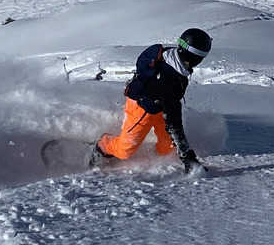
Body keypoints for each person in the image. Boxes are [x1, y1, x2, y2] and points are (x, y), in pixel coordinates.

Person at [90, 28, 212, 174]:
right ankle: (103, 144)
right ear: (192, 55)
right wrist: (188, 158)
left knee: (167, 149)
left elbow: (171, 110)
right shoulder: (168, 79)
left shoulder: (176, 60)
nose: (200, 60)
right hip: (142, 109)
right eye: (200, 56)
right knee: (125, 150)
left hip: (161, 107)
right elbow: (174, 123)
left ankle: (155, 161)